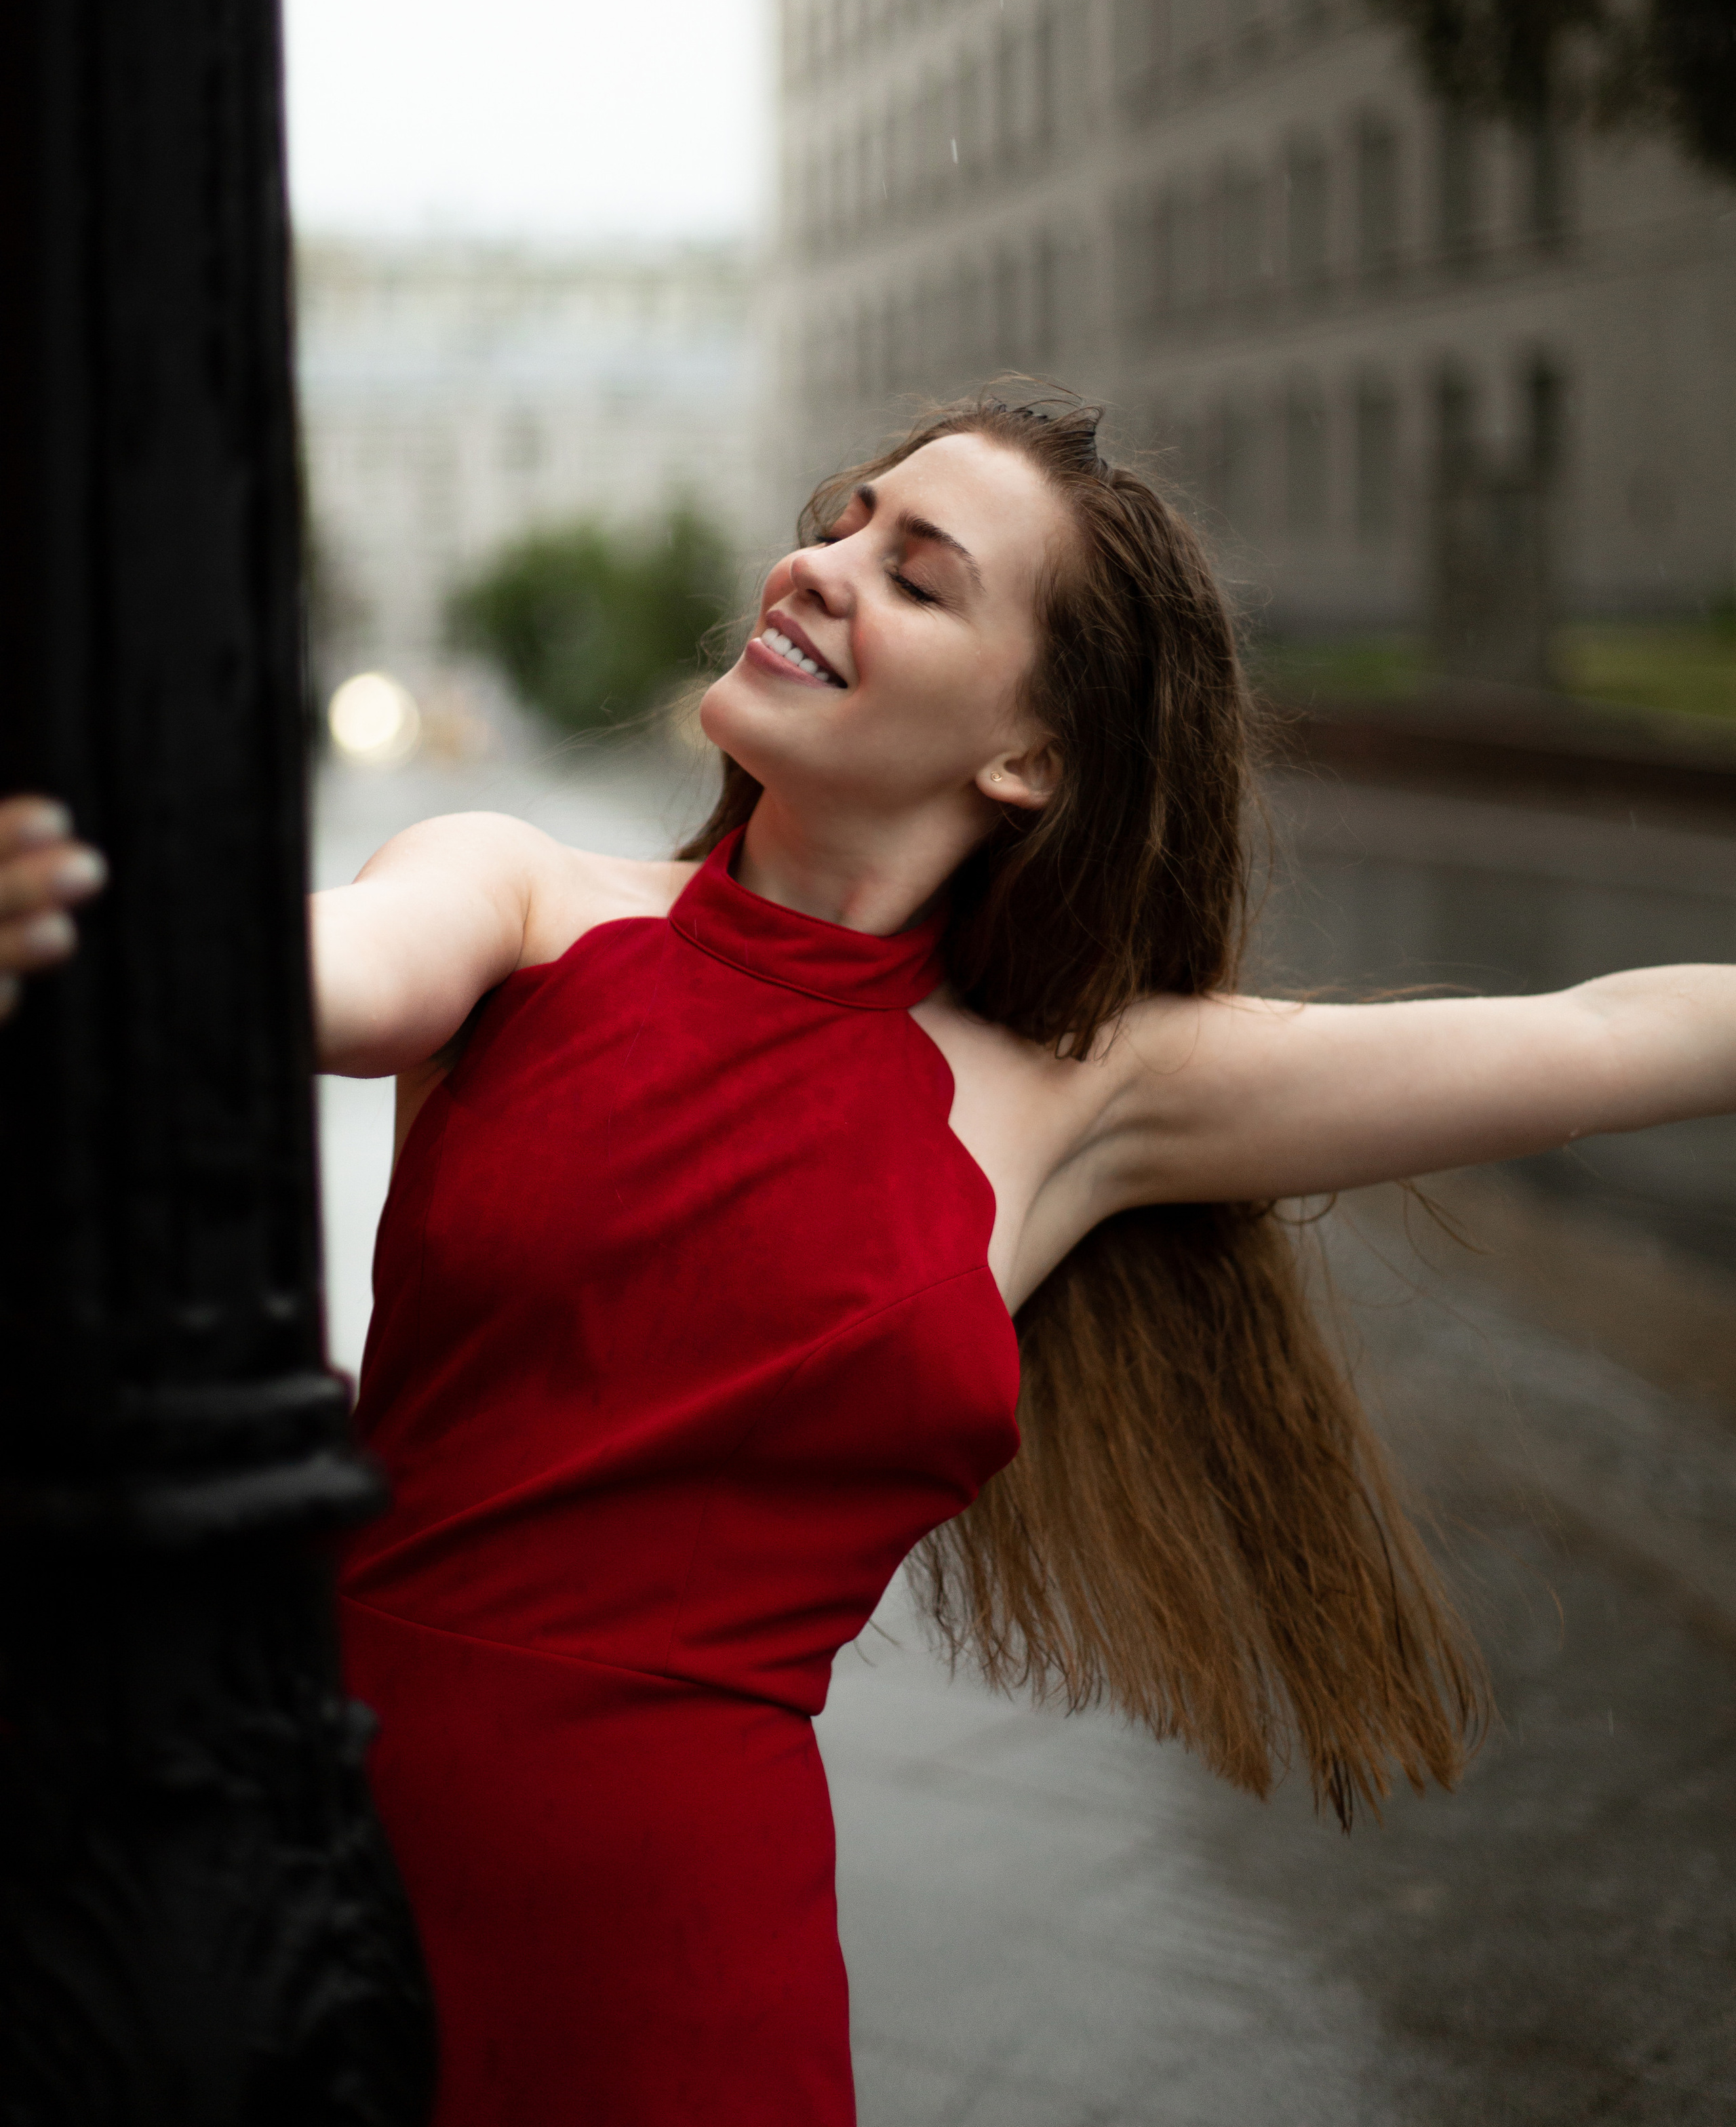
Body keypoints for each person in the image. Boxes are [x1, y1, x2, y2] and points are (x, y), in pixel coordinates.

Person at [7, 391, 1735, 2126]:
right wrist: (104, 913)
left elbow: (1595, 1034)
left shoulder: (1085, 1095)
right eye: (840, 520)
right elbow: (341, 973)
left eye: (914, 576)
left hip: (685, 1961)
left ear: (1030, 757)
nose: (816, 568)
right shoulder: (517, 892)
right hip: (304, 1856)